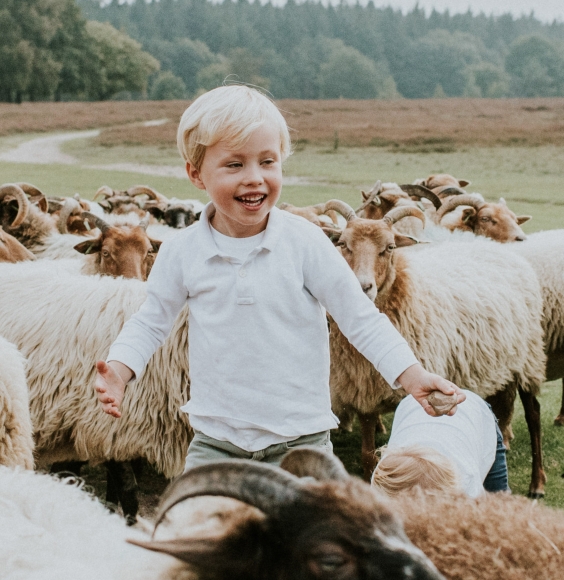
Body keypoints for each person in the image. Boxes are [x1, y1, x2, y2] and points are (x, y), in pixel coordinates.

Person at [94, 85, 463, 470]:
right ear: (196, 173)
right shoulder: (181, 251)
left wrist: (412, 375)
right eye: (235, 165)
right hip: (215, 446)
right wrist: (119, 370)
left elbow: (360, 318)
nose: (254, 178)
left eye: (267, 162)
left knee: (312, 531)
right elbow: (151, 321)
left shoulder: (305, 242)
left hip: (301, 444)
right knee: (203, 530)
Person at [371, 391, 509, 497]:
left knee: (500, 502)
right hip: (412, 407)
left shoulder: (467, 483)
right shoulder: (381, 489)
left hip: (476, 413)